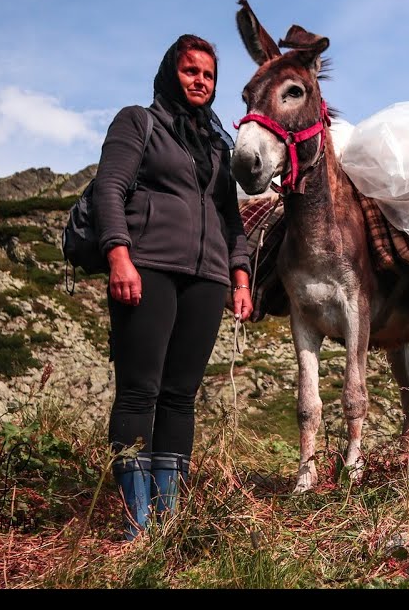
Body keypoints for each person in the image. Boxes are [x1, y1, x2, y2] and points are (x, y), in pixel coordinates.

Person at [95, 34, 253, 541]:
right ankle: (132, 525)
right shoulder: (138, 122)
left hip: (207, 279)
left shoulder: (215, 145)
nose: (200, 82)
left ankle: (166, 523)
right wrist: (119, 255)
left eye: (208, 75)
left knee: (181, 396)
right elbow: (109, 189)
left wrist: (241, 275)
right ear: (171, 73)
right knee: (140, 391)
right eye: (191, 72)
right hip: (149, 269)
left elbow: (232, 220)